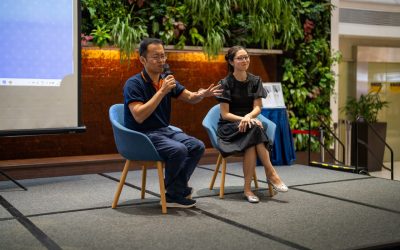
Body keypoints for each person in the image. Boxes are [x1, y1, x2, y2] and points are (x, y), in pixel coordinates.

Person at [123, 38, 222, 208]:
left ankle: (174, 190)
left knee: (197, 146)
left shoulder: (167, 80)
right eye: (156, 57)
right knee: (179, 150)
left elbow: (190, 97)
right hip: (142, 135)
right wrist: (161, 92)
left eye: (163, 56)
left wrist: (201, 95)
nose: (161, 61)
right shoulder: (133, 84)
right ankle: (175, 191)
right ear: (143, 60)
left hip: (163, 130)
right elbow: (139, 116)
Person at [216, 46, 288, 203]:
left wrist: (248, 117)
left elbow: (257, 108)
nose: (244, 60)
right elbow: (225, 114)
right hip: (229, 127)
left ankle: (248, 189)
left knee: (251, 137)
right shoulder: (225, 83)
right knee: (254, 129)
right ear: (231, 61)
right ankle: (271, 173)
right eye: (240, 58)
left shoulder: (255, 81)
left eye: (246, 57)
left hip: (248, 124)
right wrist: (243, 120)